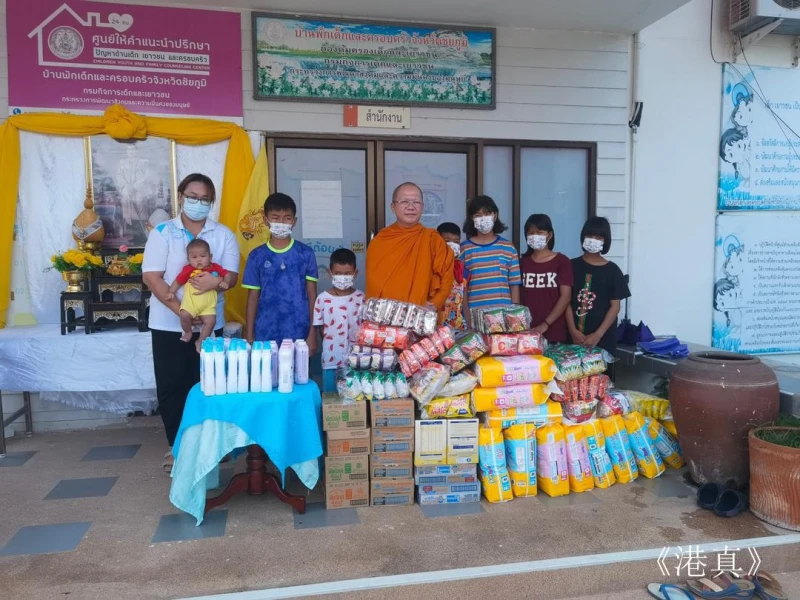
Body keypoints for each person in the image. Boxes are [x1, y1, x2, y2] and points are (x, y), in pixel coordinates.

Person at [142, 173, 240, 472]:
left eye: (205, 198)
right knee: (173, 386)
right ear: (181, 196)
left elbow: (232, 276)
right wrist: (180, 309)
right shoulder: (163, 232)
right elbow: (152, 276)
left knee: (210, 384)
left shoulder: (223, 235)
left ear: (212, 201)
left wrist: (218, 283)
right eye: (193, 196)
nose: (199, 203)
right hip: (169, 323)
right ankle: (178, 447)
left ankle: (212, 446)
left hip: (211, 322)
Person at [243, 193, 318, 355]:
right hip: (265, 333)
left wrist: (312, 333)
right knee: (265, 378)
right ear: (265, 220)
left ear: (294, 222)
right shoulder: (256, 256)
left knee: (299, 378)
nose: (281, 223)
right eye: (275, 218)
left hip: (299, 332)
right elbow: (252, 297)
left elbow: (312, 296)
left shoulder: (305, 254)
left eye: (287, 218)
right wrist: (249, 334)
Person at [366, 182, 453, 310]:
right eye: (404, 201)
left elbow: (446, 276)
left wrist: (435, 304)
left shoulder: (432, 239)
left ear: (422, 207)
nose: (411, 207)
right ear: (393, 207)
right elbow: (374, 285)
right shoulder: (380, 241)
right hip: (385, 317)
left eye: (416, 202)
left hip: (420, 316)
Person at [566, 216, 630, 354]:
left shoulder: (613, 270)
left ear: (605, 241)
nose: (593, 240)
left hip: (603, 340)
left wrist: (598, 334)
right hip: (572, 339)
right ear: (583, 237)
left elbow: (615, 306)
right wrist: (572, 330)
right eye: (590, 235)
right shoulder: (570, 266)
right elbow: (566, 301)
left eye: (599, 237)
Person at [166, 239, 235, 351]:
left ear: (210, 257)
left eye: (203, 256)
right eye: (194, 257)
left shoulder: (215, 267)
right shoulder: (188, 269)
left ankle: (201, 340)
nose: (199, 259)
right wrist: (171, 292)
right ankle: (188, 332)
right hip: (191, 303)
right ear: (188, 259)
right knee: (183, 315)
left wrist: (225, 282)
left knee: (211, 321)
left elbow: (227, 274)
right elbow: (178, 281)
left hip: (208, 306)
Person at [461, 195, 521, 320]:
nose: (483, 218)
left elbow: (514, 285)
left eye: (487, 213)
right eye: (478, 215)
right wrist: (467, 317)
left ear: (495, 215)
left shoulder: (508, 248)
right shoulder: (464, 250)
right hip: (475, 318)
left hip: (503, 318)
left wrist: (514, 315)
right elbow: (462, 288)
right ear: (472, 218)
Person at [313, 249, 365, 393]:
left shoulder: (362, 298)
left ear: (356, 273)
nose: (342, 277)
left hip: (357, 361)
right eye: (338, 273)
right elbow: (321, 330)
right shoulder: (322, 299)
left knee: (355, 397)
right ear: (330, 273)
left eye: (347, 273)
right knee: (331, 397)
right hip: (331, 360)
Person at [520, 214, 573, 343]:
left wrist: (545, 324)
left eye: (540, 232)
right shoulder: (522, 263)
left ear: (549, 235)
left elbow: (565, 297)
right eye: (530, 233)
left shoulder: (562, 261)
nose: (535, 236)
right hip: (526, 333)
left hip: (555, 332)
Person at [436, 222, 469, 331]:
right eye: (447, 241)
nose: (452, 245)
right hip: (436, 326)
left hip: (458, 326)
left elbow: (464, 300)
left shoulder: (463, 270)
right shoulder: (432, 268)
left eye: (456, 241)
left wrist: (469, 324)